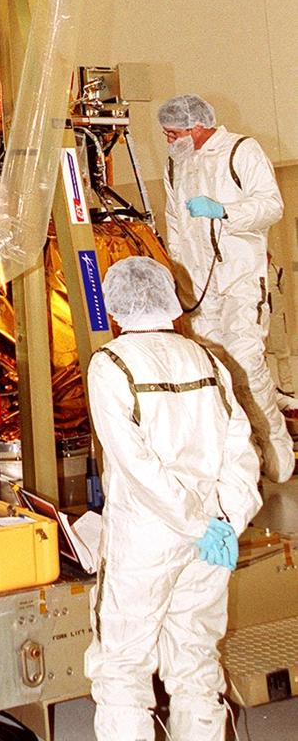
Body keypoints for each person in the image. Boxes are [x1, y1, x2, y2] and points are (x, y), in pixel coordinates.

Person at [85, 256, 261, 741]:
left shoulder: (111, 364)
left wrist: (196, 522)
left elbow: (137, 467)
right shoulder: (206, 359)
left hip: (147, 542)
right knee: (196, 663)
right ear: (170, 300)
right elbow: (239, 448)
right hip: (211, 540)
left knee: (122, 668)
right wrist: (226, 517)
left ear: (115, 308)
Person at [157, 93, 294, 482]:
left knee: (246, 361)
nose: (169, 141)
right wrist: (178, 275)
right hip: (200, 287)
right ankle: (240, 459)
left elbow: (272, 205)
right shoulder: (177, 165)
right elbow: (175, 224)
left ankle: (276, 448)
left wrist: (226, 211)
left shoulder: (241, 150)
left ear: (196, 128)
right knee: (212, 371)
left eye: (173, 133)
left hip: (240, 278)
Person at [266, 253, 296, 410]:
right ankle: (267, 387)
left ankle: (288, 385)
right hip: (259, 319)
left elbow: (282, 291)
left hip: (276, 318)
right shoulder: (253, 274)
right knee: (259, 354)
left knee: (282, 352)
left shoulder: (278, 271)